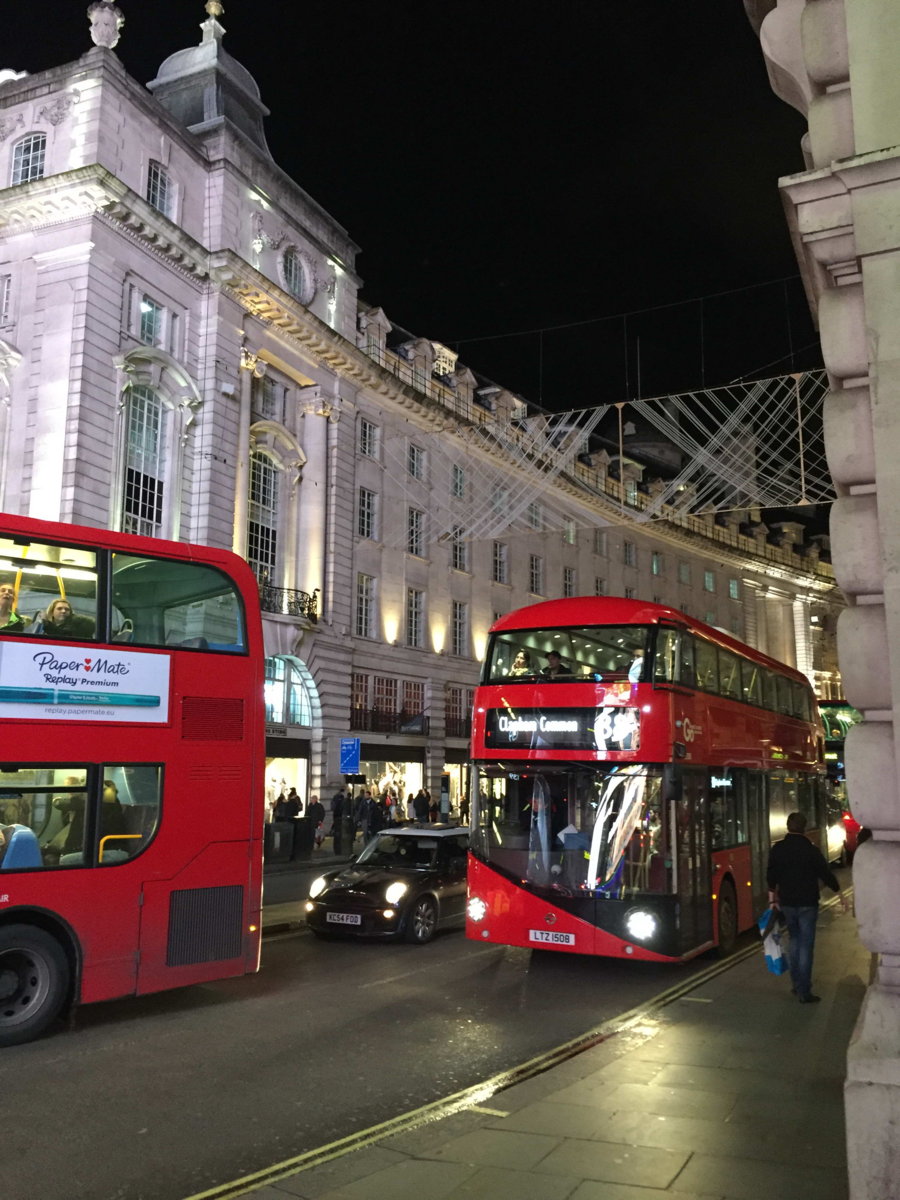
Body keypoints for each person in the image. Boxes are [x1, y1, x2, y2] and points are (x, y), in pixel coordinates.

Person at [766, 810, 848, 1004]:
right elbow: (825, 873)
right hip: (807, 903)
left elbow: (771, 876)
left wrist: (772, 900)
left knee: (794, 941)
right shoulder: (811, 849)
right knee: (806, 946)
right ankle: (804, 990)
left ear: (788, 826)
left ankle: (796, 984)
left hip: (787, 902)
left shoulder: (778, 849)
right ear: (804, 828)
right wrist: (840, 893)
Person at [30, 598, 95, 640]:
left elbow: (63, 636)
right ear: (52, 612)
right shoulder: (43, 627)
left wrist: (46, 623)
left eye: (67, 609)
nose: (63, 611)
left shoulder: (77, 625)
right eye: (59, 608)